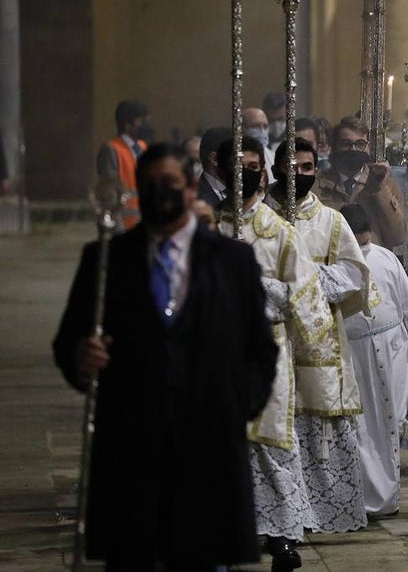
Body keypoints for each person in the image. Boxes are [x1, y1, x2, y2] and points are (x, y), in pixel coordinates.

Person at [53, 142, 279, 569]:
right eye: (150, 184)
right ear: (137, 189)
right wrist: (82, 358)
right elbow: (69, 343)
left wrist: (240, 404)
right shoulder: (106, 260)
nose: (161, 192)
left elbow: (261, 348)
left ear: (191, 187)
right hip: (131, 454)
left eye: (170, 183)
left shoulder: (232, 261)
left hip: (209, 448)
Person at [216, 136, 339, 571]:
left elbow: (304, 295)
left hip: (267, 349)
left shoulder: (278, 231)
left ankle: (283, 533)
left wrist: (254, 288)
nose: (245, 174)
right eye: (237, 167)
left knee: (271, 441)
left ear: (263, 174)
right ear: (220, 172)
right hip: (216, 353)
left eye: (252, 166)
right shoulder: (209, 228)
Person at [266, 139, 369, 535]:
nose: (301, 175)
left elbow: (352, 275)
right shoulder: (261, 219)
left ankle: (323, 512)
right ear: (277, 170)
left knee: (318, 418)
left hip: (318, 338)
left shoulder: (331, 220)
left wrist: (301, 283)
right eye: (293, 167)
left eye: (308, 167)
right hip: (273, 333)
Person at [341, 203, 408, 518]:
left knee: (390, 422)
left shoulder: (387, 259)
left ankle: (388, 498)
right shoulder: (336, 263)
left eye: (364, 241)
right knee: (362, 427)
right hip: (356, 355)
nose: (361, 248)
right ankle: (365, 499)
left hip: (390, 349)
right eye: (356, 242)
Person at [315, 116, 407, 250]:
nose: (353, 149)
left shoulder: (385, 184)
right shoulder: (318, 185)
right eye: (346, 144)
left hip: (371, 260)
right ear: (334, 147)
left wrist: (380, 189)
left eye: (360, 144)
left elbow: (397, 237)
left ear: (368, 148)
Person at [95, 100, 151, 231]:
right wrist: (117, 228)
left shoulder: (143, 147)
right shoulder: (111, 149)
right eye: (141, 121)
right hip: (124, 226)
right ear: (127, 124)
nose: (146, 126)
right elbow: (110, 194)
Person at [195, 126, 231, 208]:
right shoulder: (197, 199)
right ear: (214, 159)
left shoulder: (237, 193)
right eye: (236, 157)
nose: (242, 164)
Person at [243, 107, 276, 180]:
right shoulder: (236, 158)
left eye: (265, 126)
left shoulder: (274, 157)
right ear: (242, 129)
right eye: (255, 126)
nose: (262, 131)